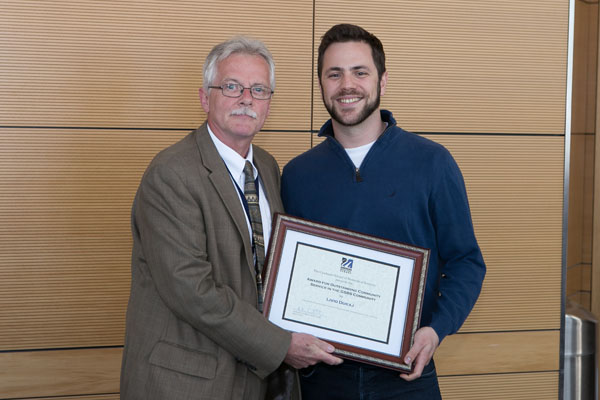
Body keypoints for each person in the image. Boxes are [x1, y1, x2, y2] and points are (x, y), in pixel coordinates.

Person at [120, 36, 341, 400]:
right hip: (185, 382)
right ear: (205, 97)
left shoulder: (267, 168)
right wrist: (280, 344)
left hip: (253, 381)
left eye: (259, 90)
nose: (246, 99)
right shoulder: (171, 173)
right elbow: (192, 290)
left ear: (269, 104)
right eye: (232, 86)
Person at [281, 24, 486, 399]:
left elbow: (466, 262)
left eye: (360, 72)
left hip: (408, 377)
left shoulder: (432, 163)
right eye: (334, 73)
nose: (347, 85)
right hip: (321, 380)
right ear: (321, 84)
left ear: (383, 80)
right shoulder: (297, 174)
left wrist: (436, 329)